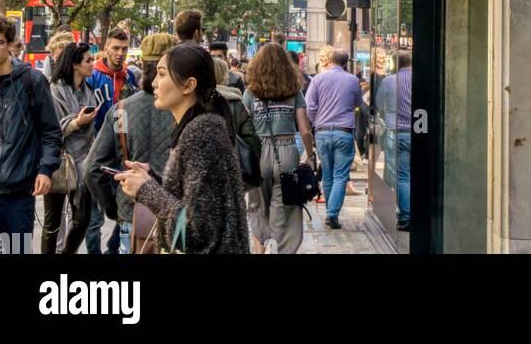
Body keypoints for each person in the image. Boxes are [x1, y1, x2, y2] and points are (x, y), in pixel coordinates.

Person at [117, 44, 249, 254]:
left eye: (162, 75)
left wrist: (146, 190)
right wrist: (152, 179)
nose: (153, 83)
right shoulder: (198, 127)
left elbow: (197, 231)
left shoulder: (202, 133)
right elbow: (195, 199)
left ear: (188, 85)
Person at [83, 32, 175, 254]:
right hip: (176, 212)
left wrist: (112, 205)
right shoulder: (185, 110)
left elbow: (91, 169)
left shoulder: (122, 110)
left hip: (132, 210)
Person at [0, 10, 61, 253]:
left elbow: (51, 132)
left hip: (18, 195)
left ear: (9, 44)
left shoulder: (31, 81)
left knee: (16, 251)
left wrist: (45, 169)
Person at [242, 43, 314, 254]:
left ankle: (261, 248)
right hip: (287, 151)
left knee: (257, 206)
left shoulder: (250, 93)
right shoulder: (294, 92)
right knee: (285, 205)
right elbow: (305, 130)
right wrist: (309, 155)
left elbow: (244, 128)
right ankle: (281, 248)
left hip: (257, 152)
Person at [85, 26, 139, 254]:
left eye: (124, 49)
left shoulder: (130, 76)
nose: (120, 53)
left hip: (123, 151)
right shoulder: (93, 76)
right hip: (98, 147)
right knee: (94, 215)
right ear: (106, 47)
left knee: (127, 208)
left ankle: (112, 248)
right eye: (115, 48)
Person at [42, 41, 99, 254]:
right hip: (58, 161)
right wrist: (77, 122)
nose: (93, 64)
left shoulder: (88, 90)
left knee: (82, 220)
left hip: (84, 161)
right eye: (88, 60)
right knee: (52, 222)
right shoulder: (55, 90)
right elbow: (52, 127)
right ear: (75, 64)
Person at [306, 48, 365, 229]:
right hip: (343, 131)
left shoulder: (317, 79)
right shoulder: (353, 80)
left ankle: (330, 213)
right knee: (340, 175)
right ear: (346, 63)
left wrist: (317, 123)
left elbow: (309, 107)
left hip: (322, 132)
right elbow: (358, 103)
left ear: (330, 60)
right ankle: (332, 214)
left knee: (329, 175)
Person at [377, 51, 411, 231]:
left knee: (402, 176)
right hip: (417, 132)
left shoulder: (388, 81)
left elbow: (378, 103)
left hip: (396, 133)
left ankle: (406, 215)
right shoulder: (420, 79)